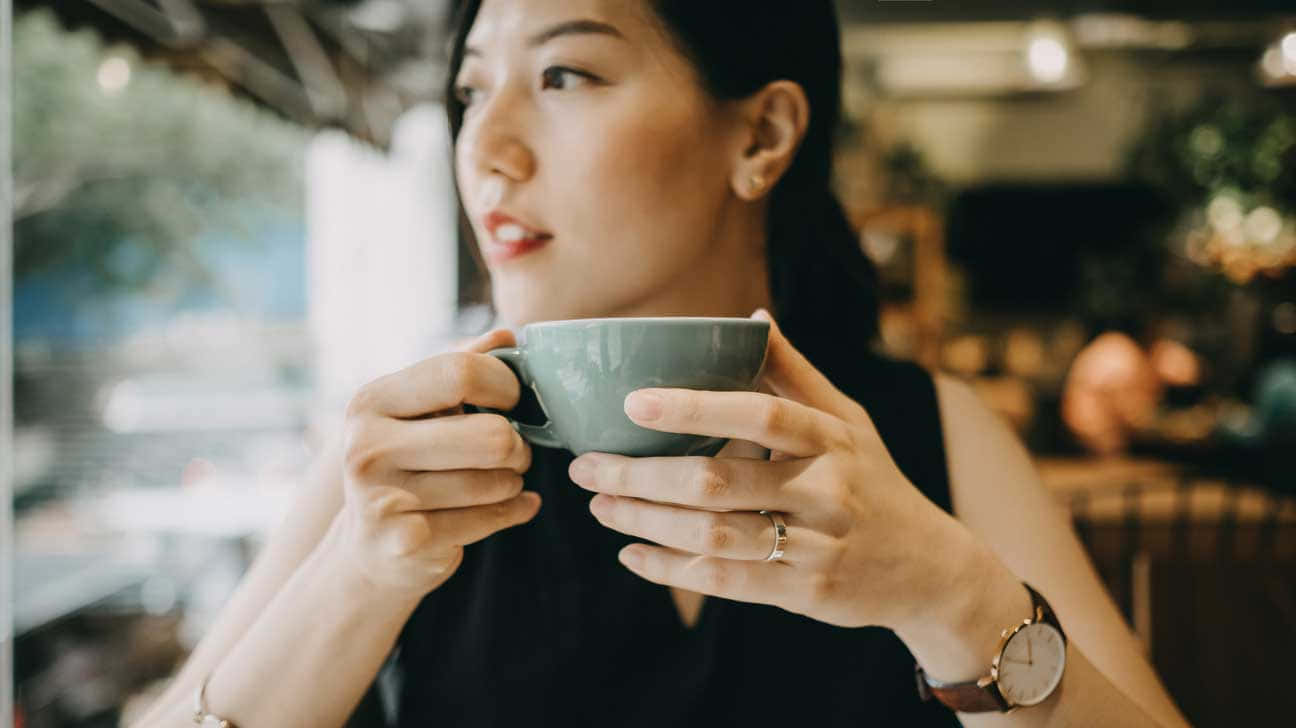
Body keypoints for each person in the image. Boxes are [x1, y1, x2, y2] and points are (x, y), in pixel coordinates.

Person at [137, 1, 1191, 726]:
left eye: (562, 73)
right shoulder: (409, 449)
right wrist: (351, 579)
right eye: (469, 91)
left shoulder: (925, 432)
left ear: (762, 137)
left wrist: (956, 598)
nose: (486, 147)